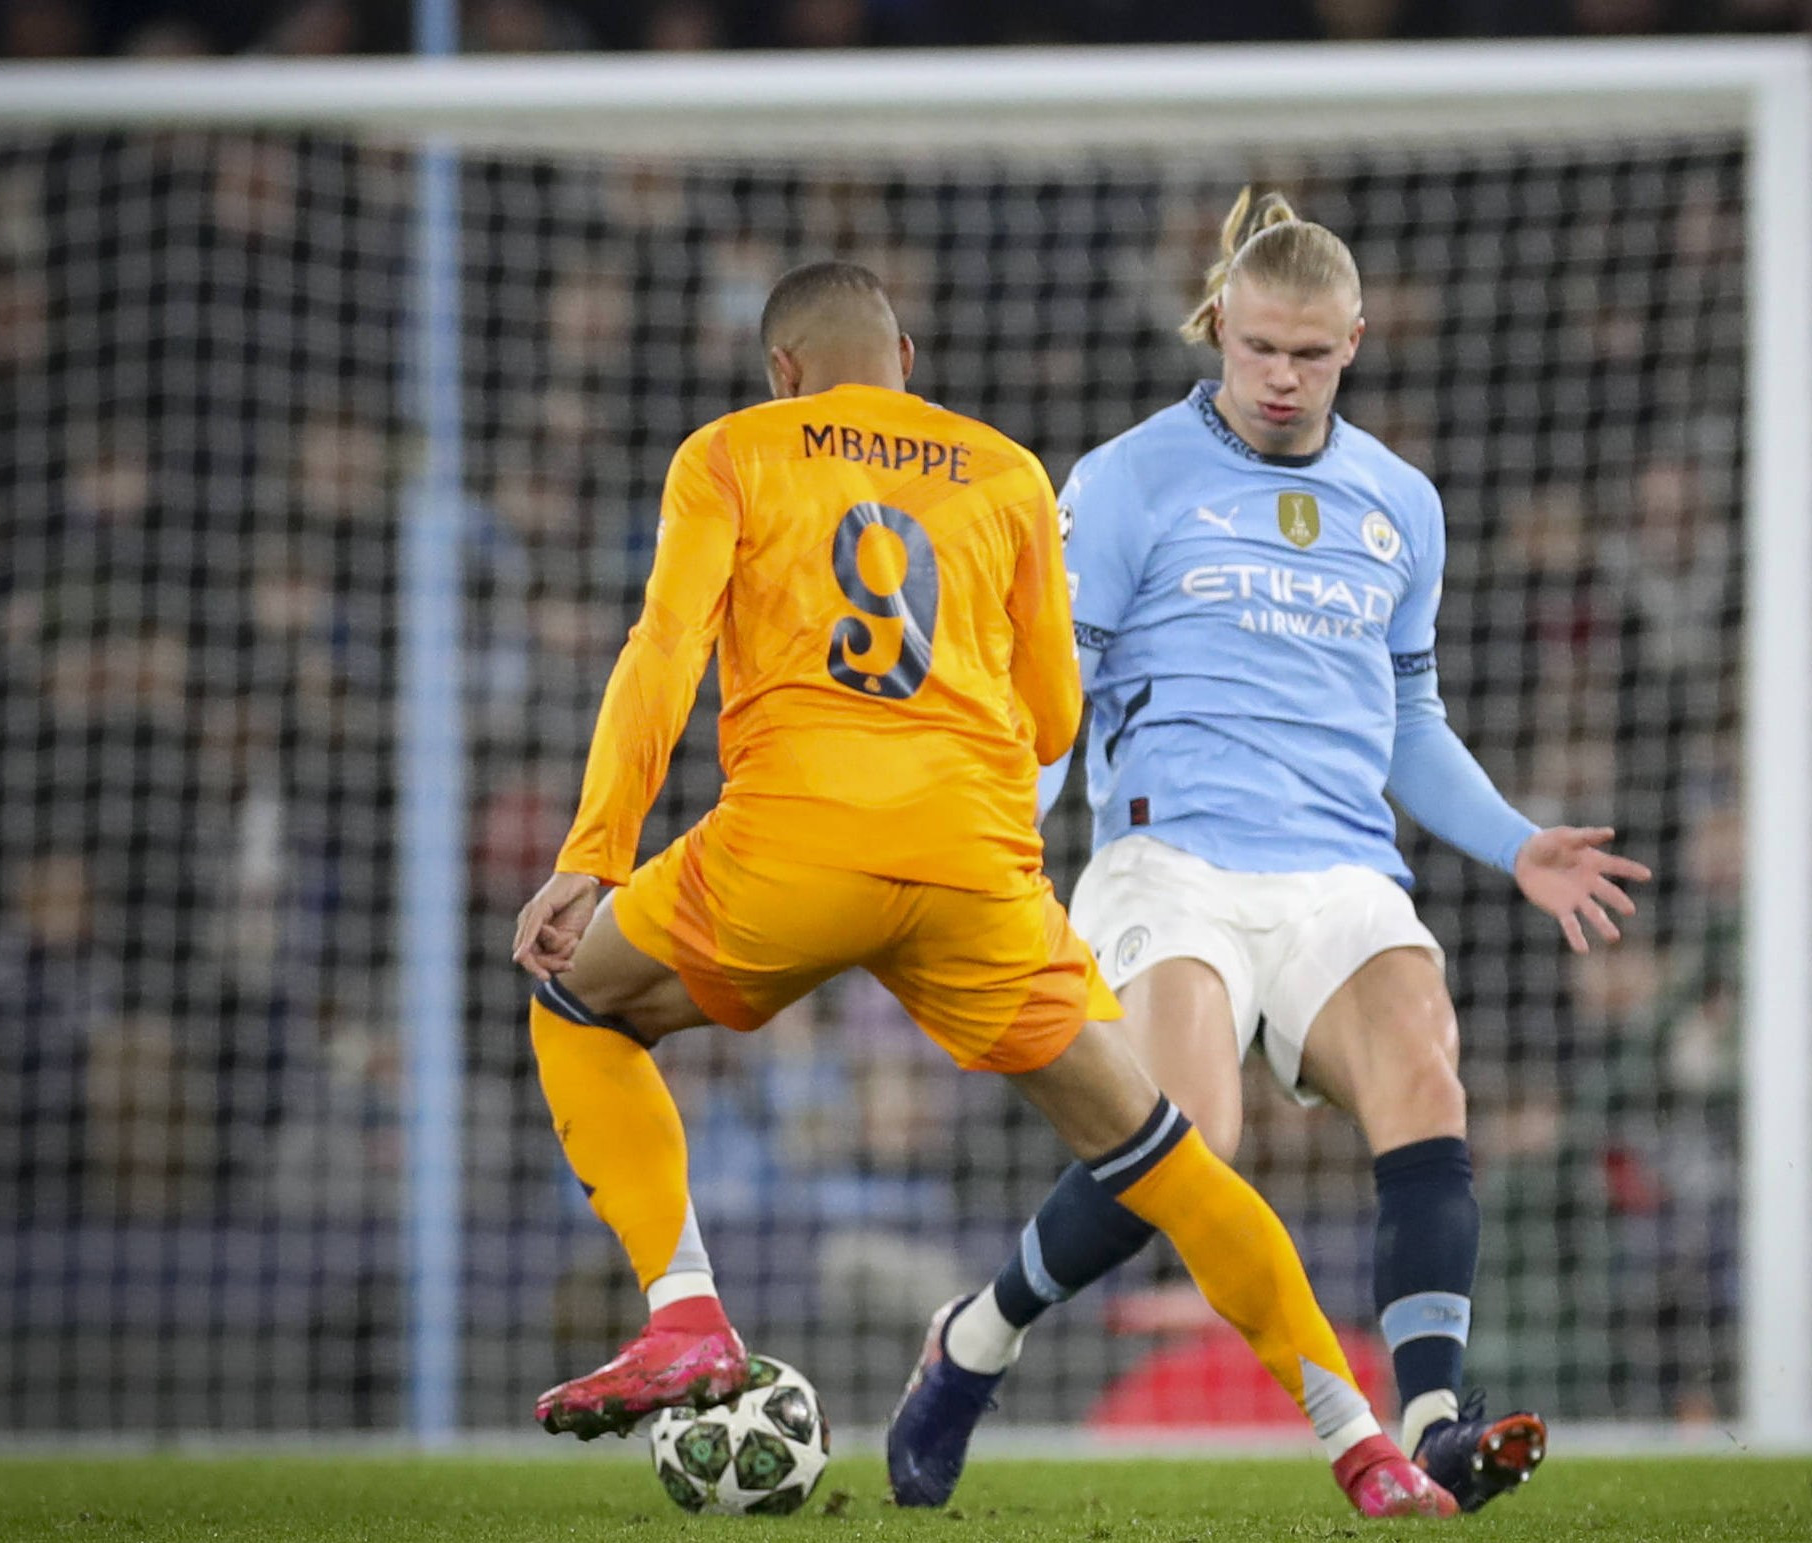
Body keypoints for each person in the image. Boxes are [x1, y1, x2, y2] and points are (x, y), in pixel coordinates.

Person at [509, 260, 1453, 1518]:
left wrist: (595, 849)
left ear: (783, 371)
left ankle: (686, 1313)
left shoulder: (727, 453)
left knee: (577, 1003)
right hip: (972, 862)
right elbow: (1057, 711)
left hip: (787, 844)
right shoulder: (1004, 470)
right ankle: (1364, 1445)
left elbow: (663, 649)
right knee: (1164, 1157)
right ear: (905, 354)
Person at [887, 191, 1649, 1512]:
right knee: (1187, 1142)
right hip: (1164, 858)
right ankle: (974, 1339)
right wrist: (1001, 846)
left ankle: (1432, 1421)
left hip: (1340, 868)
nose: (1282, 378)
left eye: (1311, 352)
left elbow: (1409, 715)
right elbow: (1057, 692)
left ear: (1355, 339)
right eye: (1258, 350)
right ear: (1216, 328)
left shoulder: (1400, 505)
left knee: (1424, 1065)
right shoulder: (1124, 480)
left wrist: (1517, 840)